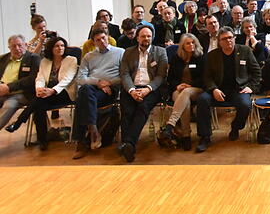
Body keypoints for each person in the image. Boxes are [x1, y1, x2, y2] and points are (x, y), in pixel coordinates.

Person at [4, 34, 77, 150]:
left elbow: (67, 80)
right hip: (47, 93)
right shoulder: (45, 61)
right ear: (51, 49)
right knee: (39, 104)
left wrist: (52, 90)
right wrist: (39, 89)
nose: (60, 48)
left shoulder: (72, 60)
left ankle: (19, 123)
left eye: (62, 46)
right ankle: (42, 140)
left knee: (38, 101)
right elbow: (40, 78)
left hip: (64, 92)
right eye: (57, 46)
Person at [195, 27, 261, 152]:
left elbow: (257, 72)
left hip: (239, 89)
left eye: (230, 37)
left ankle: (236, 127)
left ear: (234, 38)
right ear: (219, 42)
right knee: (202, 100)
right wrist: (213, 89)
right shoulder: (212, 55)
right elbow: (207, 77)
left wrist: (251, 87)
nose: (228, 41)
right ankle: (205, 136)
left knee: (245, 105)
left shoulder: (245, 50)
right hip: (218, 90)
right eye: (224, 39)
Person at [117, 25, 168, 162]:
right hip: (131, 88)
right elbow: (125, 73)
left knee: (142, 108)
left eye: (149, 36)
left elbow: (161, 76)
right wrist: (132, 90)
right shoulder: (128, 52)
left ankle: (128, 143)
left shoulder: (160, 52)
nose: (146, 38)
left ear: (152, 37)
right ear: (137, 38)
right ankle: (128, 143)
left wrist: (148, 89)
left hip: (152, 89)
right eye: (143, 36)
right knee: (127, 110)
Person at [72, 27, 125, 159]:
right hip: (92, 88)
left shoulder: (120, 53)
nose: (102, 41)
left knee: (81, 101)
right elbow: (80, 79)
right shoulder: (89, 56)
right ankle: (93, 129)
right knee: (84, 91)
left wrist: (109, 83)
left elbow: (125, 75)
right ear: (93, 42)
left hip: (109, 90)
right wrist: (98, 82)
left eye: (104, 38)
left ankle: (81, 141)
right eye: (98, 40)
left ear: (108, 37)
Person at [157, 33, 206, 151]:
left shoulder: (201, 57)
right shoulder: (176, 58)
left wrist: (190, 85)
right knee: (185, 102)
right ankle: (186, 135)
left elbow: (205, 78)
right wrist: (177, 85)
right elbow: (171, 78)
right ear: (182, 46)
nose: (191, 45)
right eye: (187, 43)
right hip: (179, 90)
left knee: (187, 93)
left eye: (193, 42)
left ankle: (170, 125)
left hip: (196, 89)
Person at [0, 35, 41, 131]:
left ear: (25, 45)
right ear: (9, 48)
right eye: (13, 46)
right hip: (1, 91)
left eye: (20, 45)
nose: (17, 49)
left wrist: (8, 87)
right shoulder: (3, 58)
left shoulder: (33, 58)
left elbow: (32, 79)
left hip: (20, 93)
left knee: (9, 106)